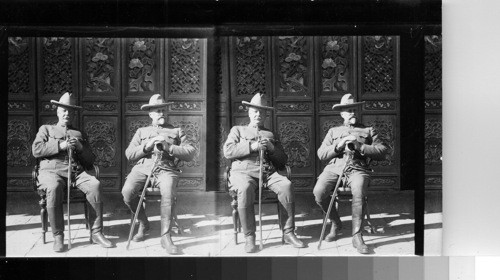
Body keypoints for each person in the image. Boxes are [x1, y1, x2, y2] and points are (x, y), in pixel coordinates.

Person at [223, 93, 305, 253]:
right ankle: (249, 236)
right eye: (255, 111)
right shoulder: (238, 130)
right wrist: (251, 147)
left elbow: (282, 160)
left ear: (266, 115)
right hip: (243, 172)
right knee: (245, 189)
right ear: (249, 112)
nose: (258, 115)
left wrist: (272, 148)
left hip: (268, 172)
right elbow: (228, 151)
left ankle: (288, 232)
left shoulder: (271, 135)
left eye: (261, 112)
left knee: (286, 185)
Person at [32, 92, 114, 252]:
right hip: (51, 172)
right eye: (63, 110)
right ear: (57, 111)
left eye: (70, 111)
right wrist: (60, 146)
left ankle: (97, 232)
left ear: (74, 113)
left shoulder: (79, 134)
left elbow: (90, 161)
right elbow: (36, 149)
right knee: (54, 188)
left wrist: (81, 148)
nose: (67, 114)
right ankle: (58, 236)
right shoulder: (46, 129)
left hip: (76, 172)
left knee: (94, 185)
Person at [313, 93, 389, 254]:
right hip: (334, 168)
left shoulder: (368, 130)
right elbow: (321, 154)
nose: (352, 113)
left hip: (357, 169)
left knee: (359, 189)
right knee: (319, 192)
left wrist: (360, 146)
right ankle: (335, 222)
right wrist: (338, 146)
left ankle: (357, 235)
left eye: (354, 110)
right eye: (348, 111)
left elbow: (383, 151)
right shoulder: (333, 131)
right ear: (342, 114)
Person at [122, 94, 196, 255]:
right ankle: (143, 222)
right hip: (143, 168)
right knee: (127, 192)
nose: (161, 113)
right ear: (150, 114)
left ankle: (166, 236)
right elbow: (129, 154)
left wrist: (168, 146)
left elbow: (190, 152)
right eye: (157, 111)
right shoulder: (141, 131)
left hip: (166, 169)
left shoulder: (176, 131)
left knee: (168, 192)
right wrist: (146, 147)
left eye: (163, 110)